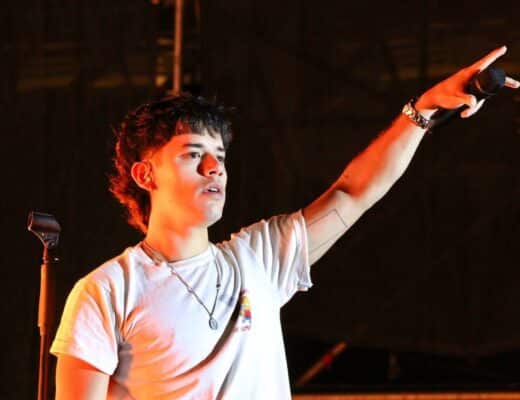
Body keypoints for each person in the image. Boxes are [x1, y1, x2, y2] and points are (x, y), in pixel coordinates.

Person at [50, 46, 519, 399]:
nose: (214, 168)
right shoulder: (107, 291)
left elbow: (353, 192)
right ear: (145, 175)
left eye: (220, 156)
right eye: (194, 155)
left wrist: (425, 109)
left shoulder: (258, 258)